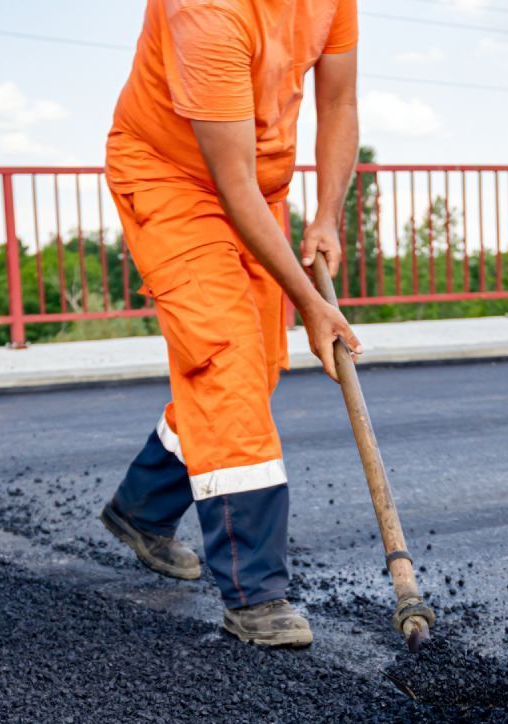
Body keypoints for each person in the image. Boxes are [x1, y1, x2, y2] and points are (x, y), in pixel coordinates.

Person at [97, 0, 364, 648]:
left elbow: (340, 104)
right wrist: (309, 300)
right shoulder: (207, 9)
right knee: (227, 359)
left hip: (258, 185)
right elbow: (231, 178)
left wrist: (327, 213)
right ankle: (256, 592)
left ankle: (142, 508)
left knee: (257, 368)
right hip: (172, 179)